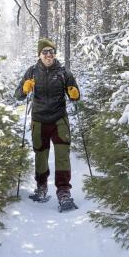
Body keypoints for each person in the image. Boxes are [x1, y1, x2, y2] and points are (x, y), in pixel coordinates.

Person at [14, 38, 80, 211]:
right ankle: (41, 188)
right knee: (40, 155)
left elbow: (76, 96)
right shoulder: (32, 72)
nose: (49, 55)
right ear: (39, 54)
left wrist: (74, 93)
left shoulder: (64, 73)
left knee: (62, 155)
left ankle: (64, 192)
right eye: (45, 52)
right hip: (39, 120)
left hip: (59, 119)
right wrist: (24, 88)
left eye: (52, 52)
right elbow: (18, 95)